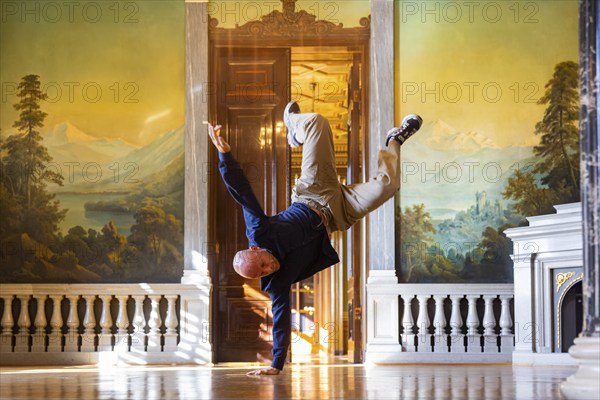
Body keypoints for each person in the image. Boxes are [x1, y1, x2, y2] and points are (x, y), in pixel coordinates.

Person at [208, 101, 422, 376]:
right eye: (261, 273)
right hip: (339, 212)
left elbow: (243, 195)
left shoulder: (259, 231)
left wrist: (225, 157)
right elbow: (282, 319)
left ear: (255, 248)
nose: (268, 268)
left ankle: (293, 125)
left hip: (314, 190)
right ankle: (395, 139)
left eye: (261, 263)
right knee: (388, 185)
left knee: (317, 122)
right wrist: (275, 365)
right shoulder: (277, 281)